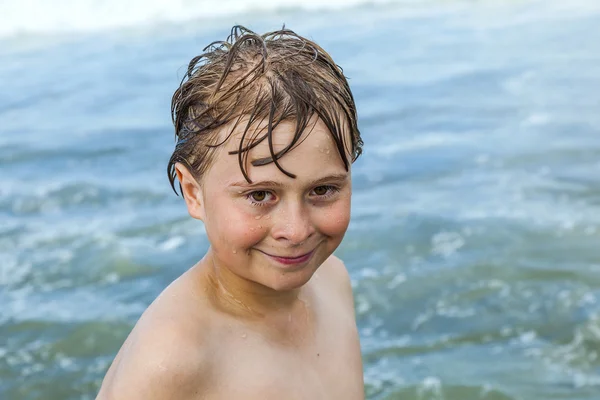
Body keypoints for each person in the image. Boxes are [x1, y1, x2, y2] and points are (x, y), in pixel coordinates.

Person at [96, 25, 365, 400]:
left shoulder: (332, 281)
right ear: (194, 193)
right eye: (260, 196)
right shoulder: (171, 362)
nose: (296, 229)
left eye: (322, 190)